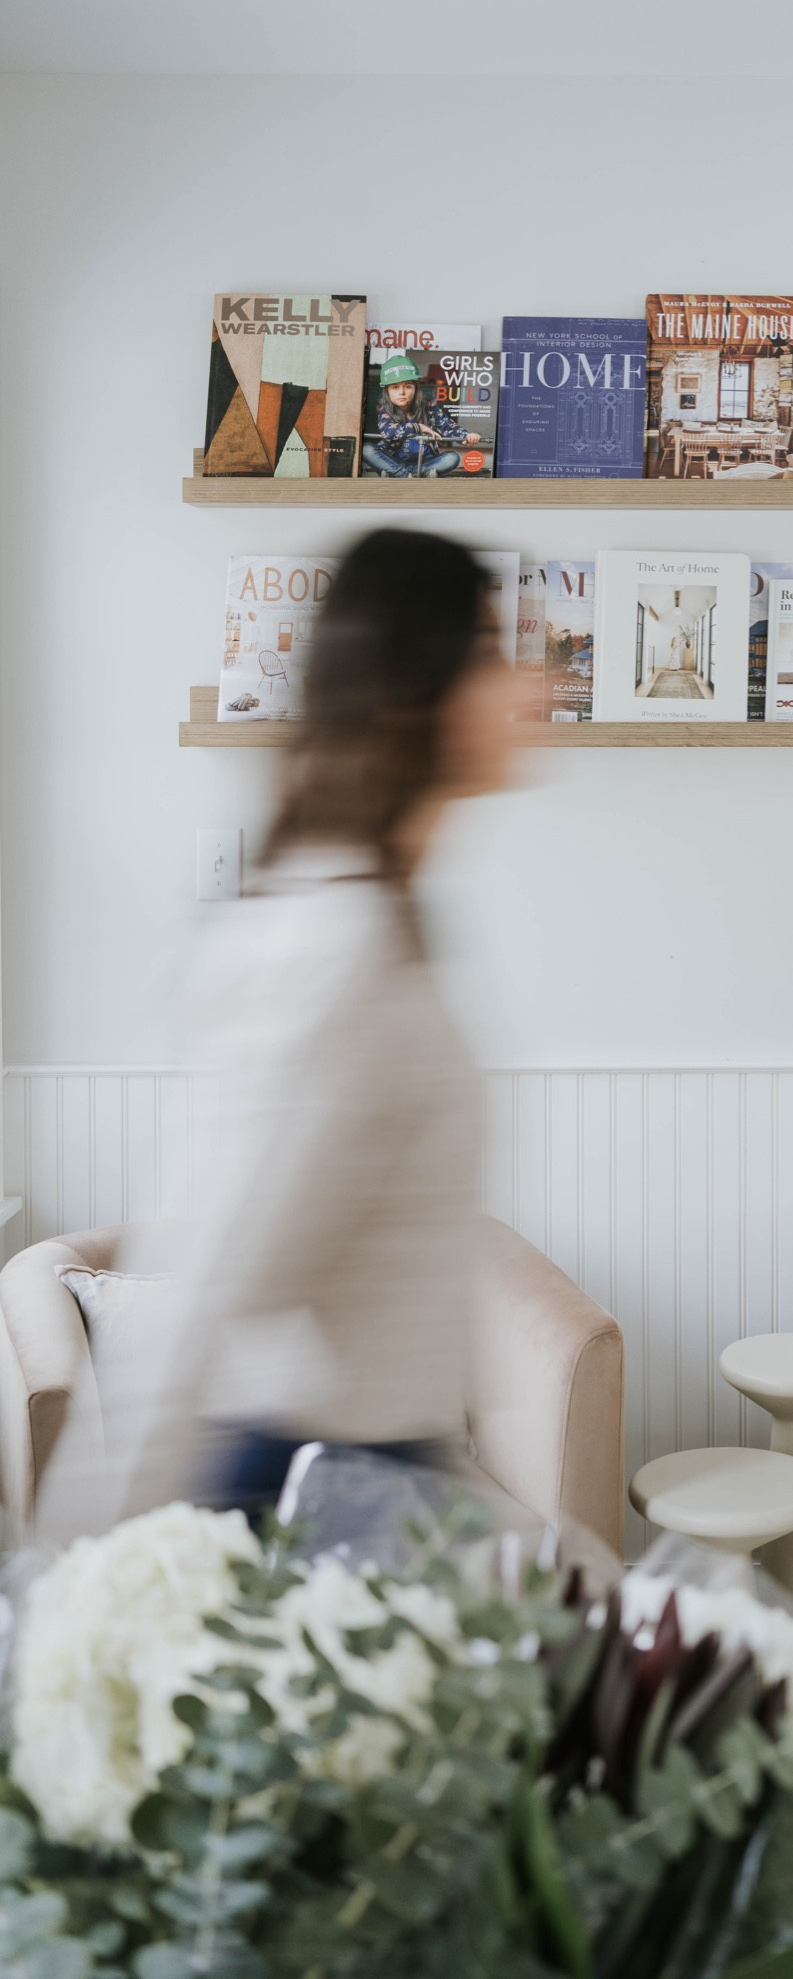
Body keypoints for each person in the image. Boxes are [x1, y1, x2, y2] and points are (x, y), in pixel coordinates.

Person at [66, 530, 519, 1529]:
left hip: (395, 1480)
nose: (524, 684)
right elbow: (210, 1278)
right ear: (412, 688)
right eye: (489, 650)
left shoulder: (388, 917)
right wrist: (67, 1576)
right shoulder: (335, 942)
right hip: (319, 1490)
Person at [362, 351, 472, 477]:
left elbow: (447, 426)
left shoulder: (428, 407)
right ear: (387, 391)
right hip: (393, 461)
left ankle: (403, 475)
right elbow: (389, 433)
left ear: (416, 388)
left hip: (426, 461)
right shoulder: (385, 410)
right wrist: (418, 427)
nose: (402, 392)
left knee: (452, 457)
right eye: (395, 387)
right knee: (366, 449)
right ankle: (408, 474)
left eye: (408, 387)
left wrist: (465, 436)